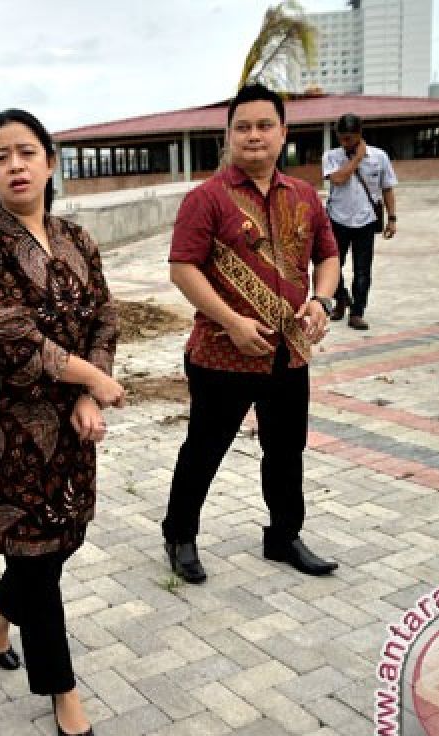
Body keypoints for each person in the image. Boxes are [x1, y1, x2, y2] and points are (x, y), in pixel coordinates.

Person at [0, 109, 122, 736]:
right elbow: (14, 339)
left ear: (52, 162)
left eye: (27, 152)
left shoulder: (77, 236)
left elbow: (104, 316)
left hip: (70, 428)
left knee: (58, 545)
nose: (16, 164)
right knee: (37, 562)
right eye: (0, 156)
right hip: (5, 432)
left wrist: (87, 389)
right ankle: (63, 691)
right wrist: (94, 382)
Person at [161, 83, 341, 585]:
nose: (254, 135)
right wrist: (232, 322)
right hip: (223, 353)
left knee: (286, 450)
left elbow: (328, 254)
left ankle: (283, 536)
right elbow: (183, 269)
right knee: (204, 449)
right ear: (229, 135)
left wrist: (322, 299)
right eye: (243, 127)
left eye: (265, 125)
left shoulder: (305, 196)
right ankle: (179, 535)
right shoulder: (206, 199)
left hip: (290, 351)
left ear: (283, 132)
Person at [322, 113, 398, 330]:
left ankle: (357, 312)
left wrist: (392, 218)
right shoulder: (332, 157)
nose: (345, 142)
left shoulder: (379, 157)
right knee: (332, 266)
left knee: (362, 270)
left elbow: (387, 188)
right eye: (341, 138)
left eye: (349, 138)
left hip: (366, 221)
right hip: (337, 219)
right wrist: (356, 160)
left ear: (359, 135)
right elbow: (337, 178)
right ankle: (341, 298)